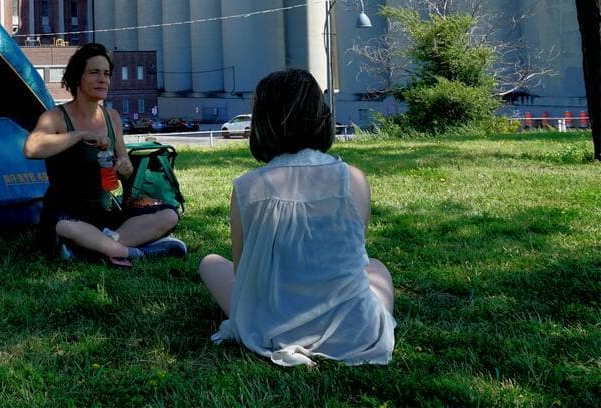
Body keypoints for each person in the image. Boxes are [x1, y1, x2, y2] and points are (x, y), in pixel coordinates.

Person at [198, 68, 395, 366]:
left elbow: (243, 273)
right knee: (377, 266)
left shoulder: (247, 187)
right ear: (321, 115)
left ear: (262, 123)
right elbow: (354, 255)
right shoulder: (353, 179)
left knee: (210, 263)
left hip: (271, 328)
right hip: (353, 331)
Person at [24, 43, 186, 267]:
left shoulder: (112, 117)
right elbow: (31, 148)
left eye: (106, 74)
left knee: (169, 215)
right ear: (77, 77)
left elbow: (126, 165)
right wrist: (79, 134)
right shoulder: (56, 117)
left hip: (105, 217)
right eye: (94, 72)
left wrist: (123, 166)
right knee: (64, 226)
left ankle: (96, 248)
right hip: (66, 214)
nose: (103, 79)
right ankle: (134, 252)